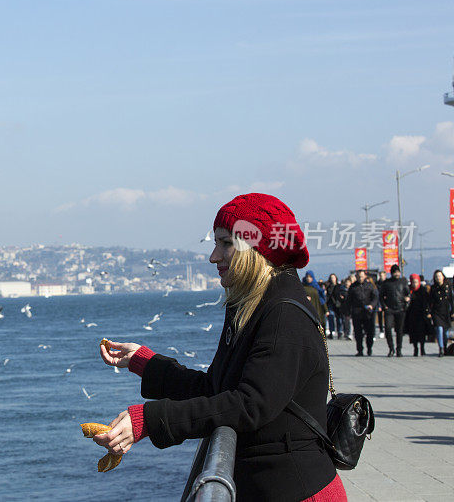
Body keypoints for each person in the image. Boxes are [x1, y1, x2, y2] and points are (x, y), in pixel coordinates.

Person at [94, 193, 345, 501]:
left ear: (257, 247)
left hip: (299, 491)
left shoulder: (283, 314)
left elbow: (249, 405)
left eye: (226, 243)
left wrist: (150, 419)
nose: (214, 256)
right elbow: (216, 389)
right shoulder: (251, 307)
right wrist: (145, 363)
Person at [379, 264, 410, 357]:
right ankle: (391, 348)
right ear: (392, 273)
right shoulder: (386, 283)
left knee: (399, 330)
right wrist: (384, 306)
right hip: (389, 309)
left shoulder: (403, 282)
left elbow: (408, 294)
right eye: (395, 272)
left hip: (400, 309)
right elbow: (381, 296)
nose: (397, 274)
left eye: (398, 272)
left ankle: (399, 349)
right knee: (388, 328)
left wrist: (406, 304)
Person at [346, 270, 379, 356]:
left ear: (365, 276)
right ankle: (360, 350)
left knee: (369, 332)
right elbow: (349, 300)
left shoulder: (370, 286)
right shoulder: (353, 287)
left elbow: (375, 298)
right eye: (358, 276)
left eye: (361, 276)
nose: (360, 278)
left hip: (368, 313)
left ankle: (369, 348)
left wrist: (372, 305)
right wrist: (348, 311)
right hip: (357, 312)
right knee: (358, 333)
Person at [428, 270, 454, 357]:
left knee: (446, 333)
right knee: (439, 329)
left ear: (443, 277)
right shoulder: (433, 288)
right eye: (436, 276)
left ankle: (445, 345)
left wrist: (453, 311)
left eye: (439, 276)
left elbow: (451, 300)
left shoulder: (448, 286)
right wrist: (429, 312)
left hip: (446, 312)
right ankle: (441, 348)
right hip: (437, 312)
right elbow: (430, 301)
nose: (438, 278)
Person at [406, 274, 431, 356]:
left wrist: (428, 312)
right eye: (413, 282)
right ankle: (415, 348)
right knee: (413, 333)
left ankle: (422, 348)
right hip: (412, 315)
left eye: (416, 282)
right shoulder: (409, 290)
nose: (415, 284)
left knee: (422, 333)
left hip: (421, 314)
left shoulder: (423, 290)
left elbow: (428, 302)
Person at [326, 273, 343, 339]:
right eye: (331, 278)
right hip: (331, 304)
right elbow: (327, 295)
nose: (332, 279)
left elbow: (341, 293)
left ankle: (339, 331)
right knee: (331, 316)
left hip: (338, 304)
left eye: (333, 278)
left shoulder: (339, 286)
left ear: (336, 278)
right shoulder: (329, 287)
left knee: (339, 319)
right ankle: (332, 331)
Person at [375, 270, 387, 338]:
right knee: (380, 316)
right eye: (380, 276)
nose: (381, 277)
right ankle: (381, 330)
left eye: (382, 276)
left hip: (386, 302)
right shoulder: (377, 284)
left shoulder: (387, 283)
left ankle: (386, 329)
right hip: (379, 301)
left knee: (386, 317)